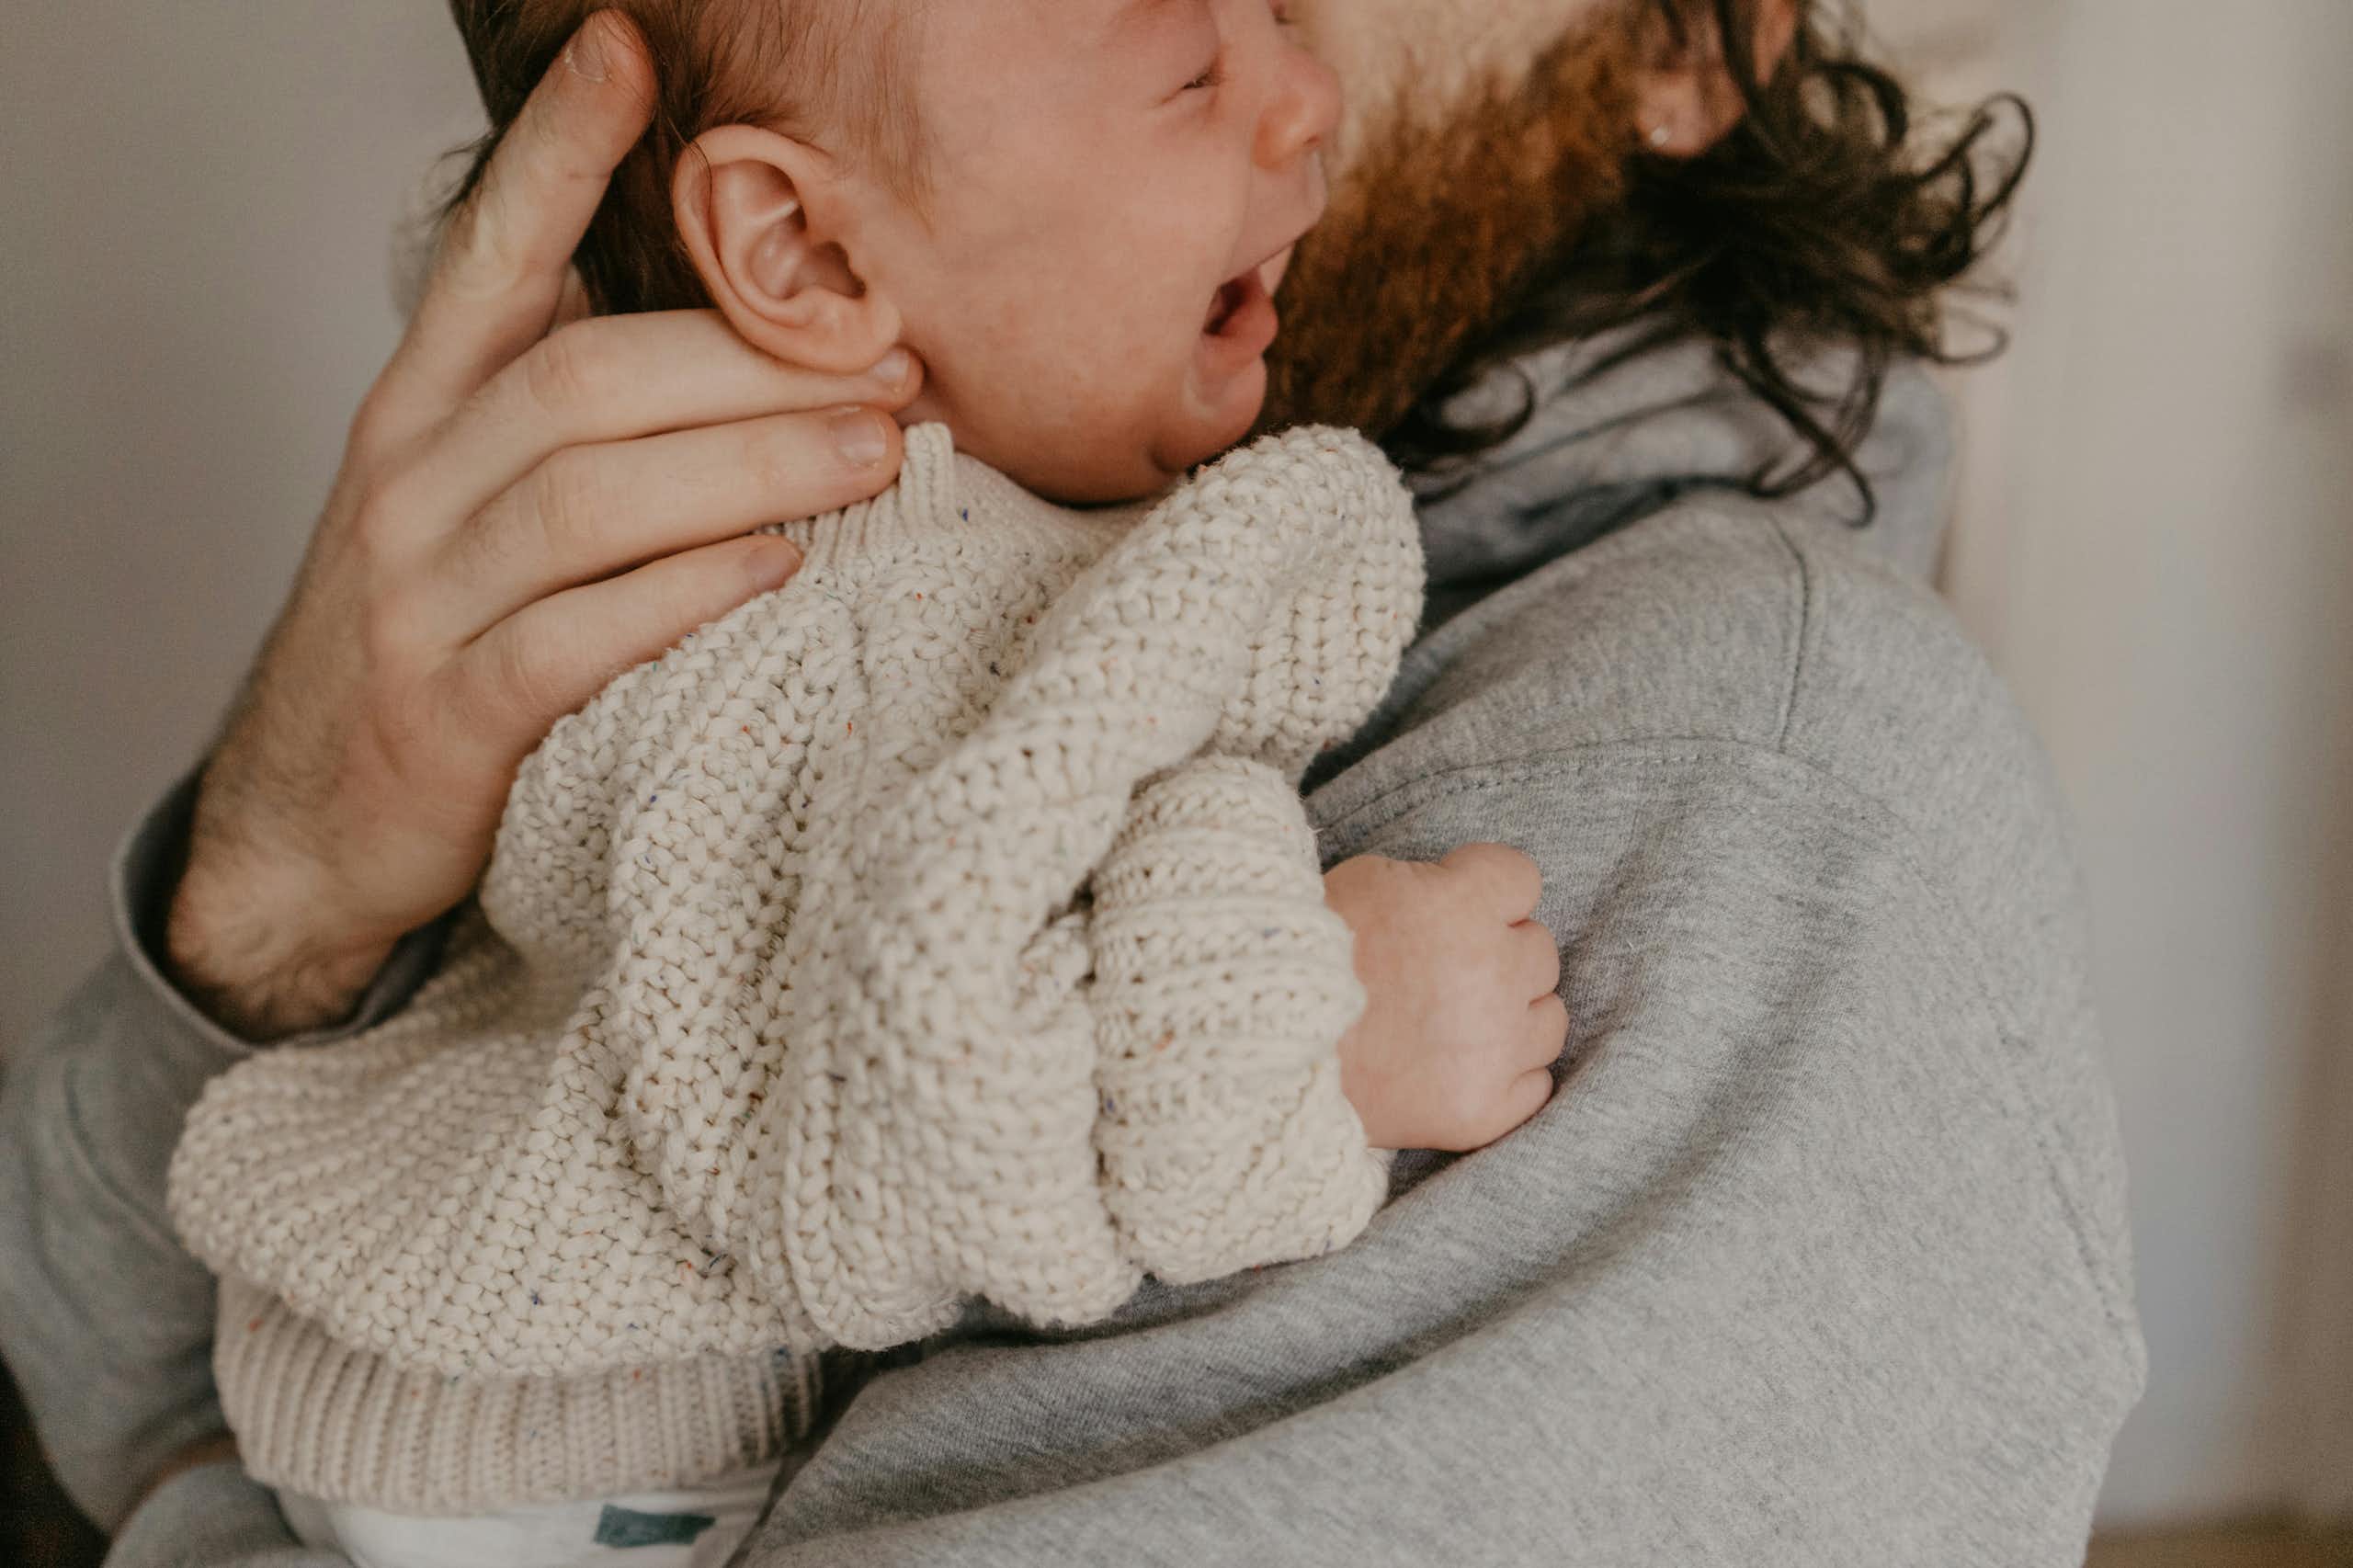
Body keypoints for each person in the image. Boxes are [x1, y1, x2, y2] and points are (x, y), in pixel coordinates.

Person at [0, 0, 2147, 1562]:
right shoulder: (782, 581)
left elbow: (172, 1463)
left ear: (1692, 37)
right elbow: (103, 1376)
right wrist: (276, 889)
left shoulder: (1733, 807)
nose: (1264, 71)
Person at [165, 7, 1566, 1560]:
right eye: (1188, 70)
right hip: (572, 1459)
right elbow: (917, 1064)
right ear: (809, 256)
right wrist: (1318, 1030)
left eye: (1278, 11)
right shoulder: (868, 607)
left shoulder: (832, 534)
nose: (1307, 95)